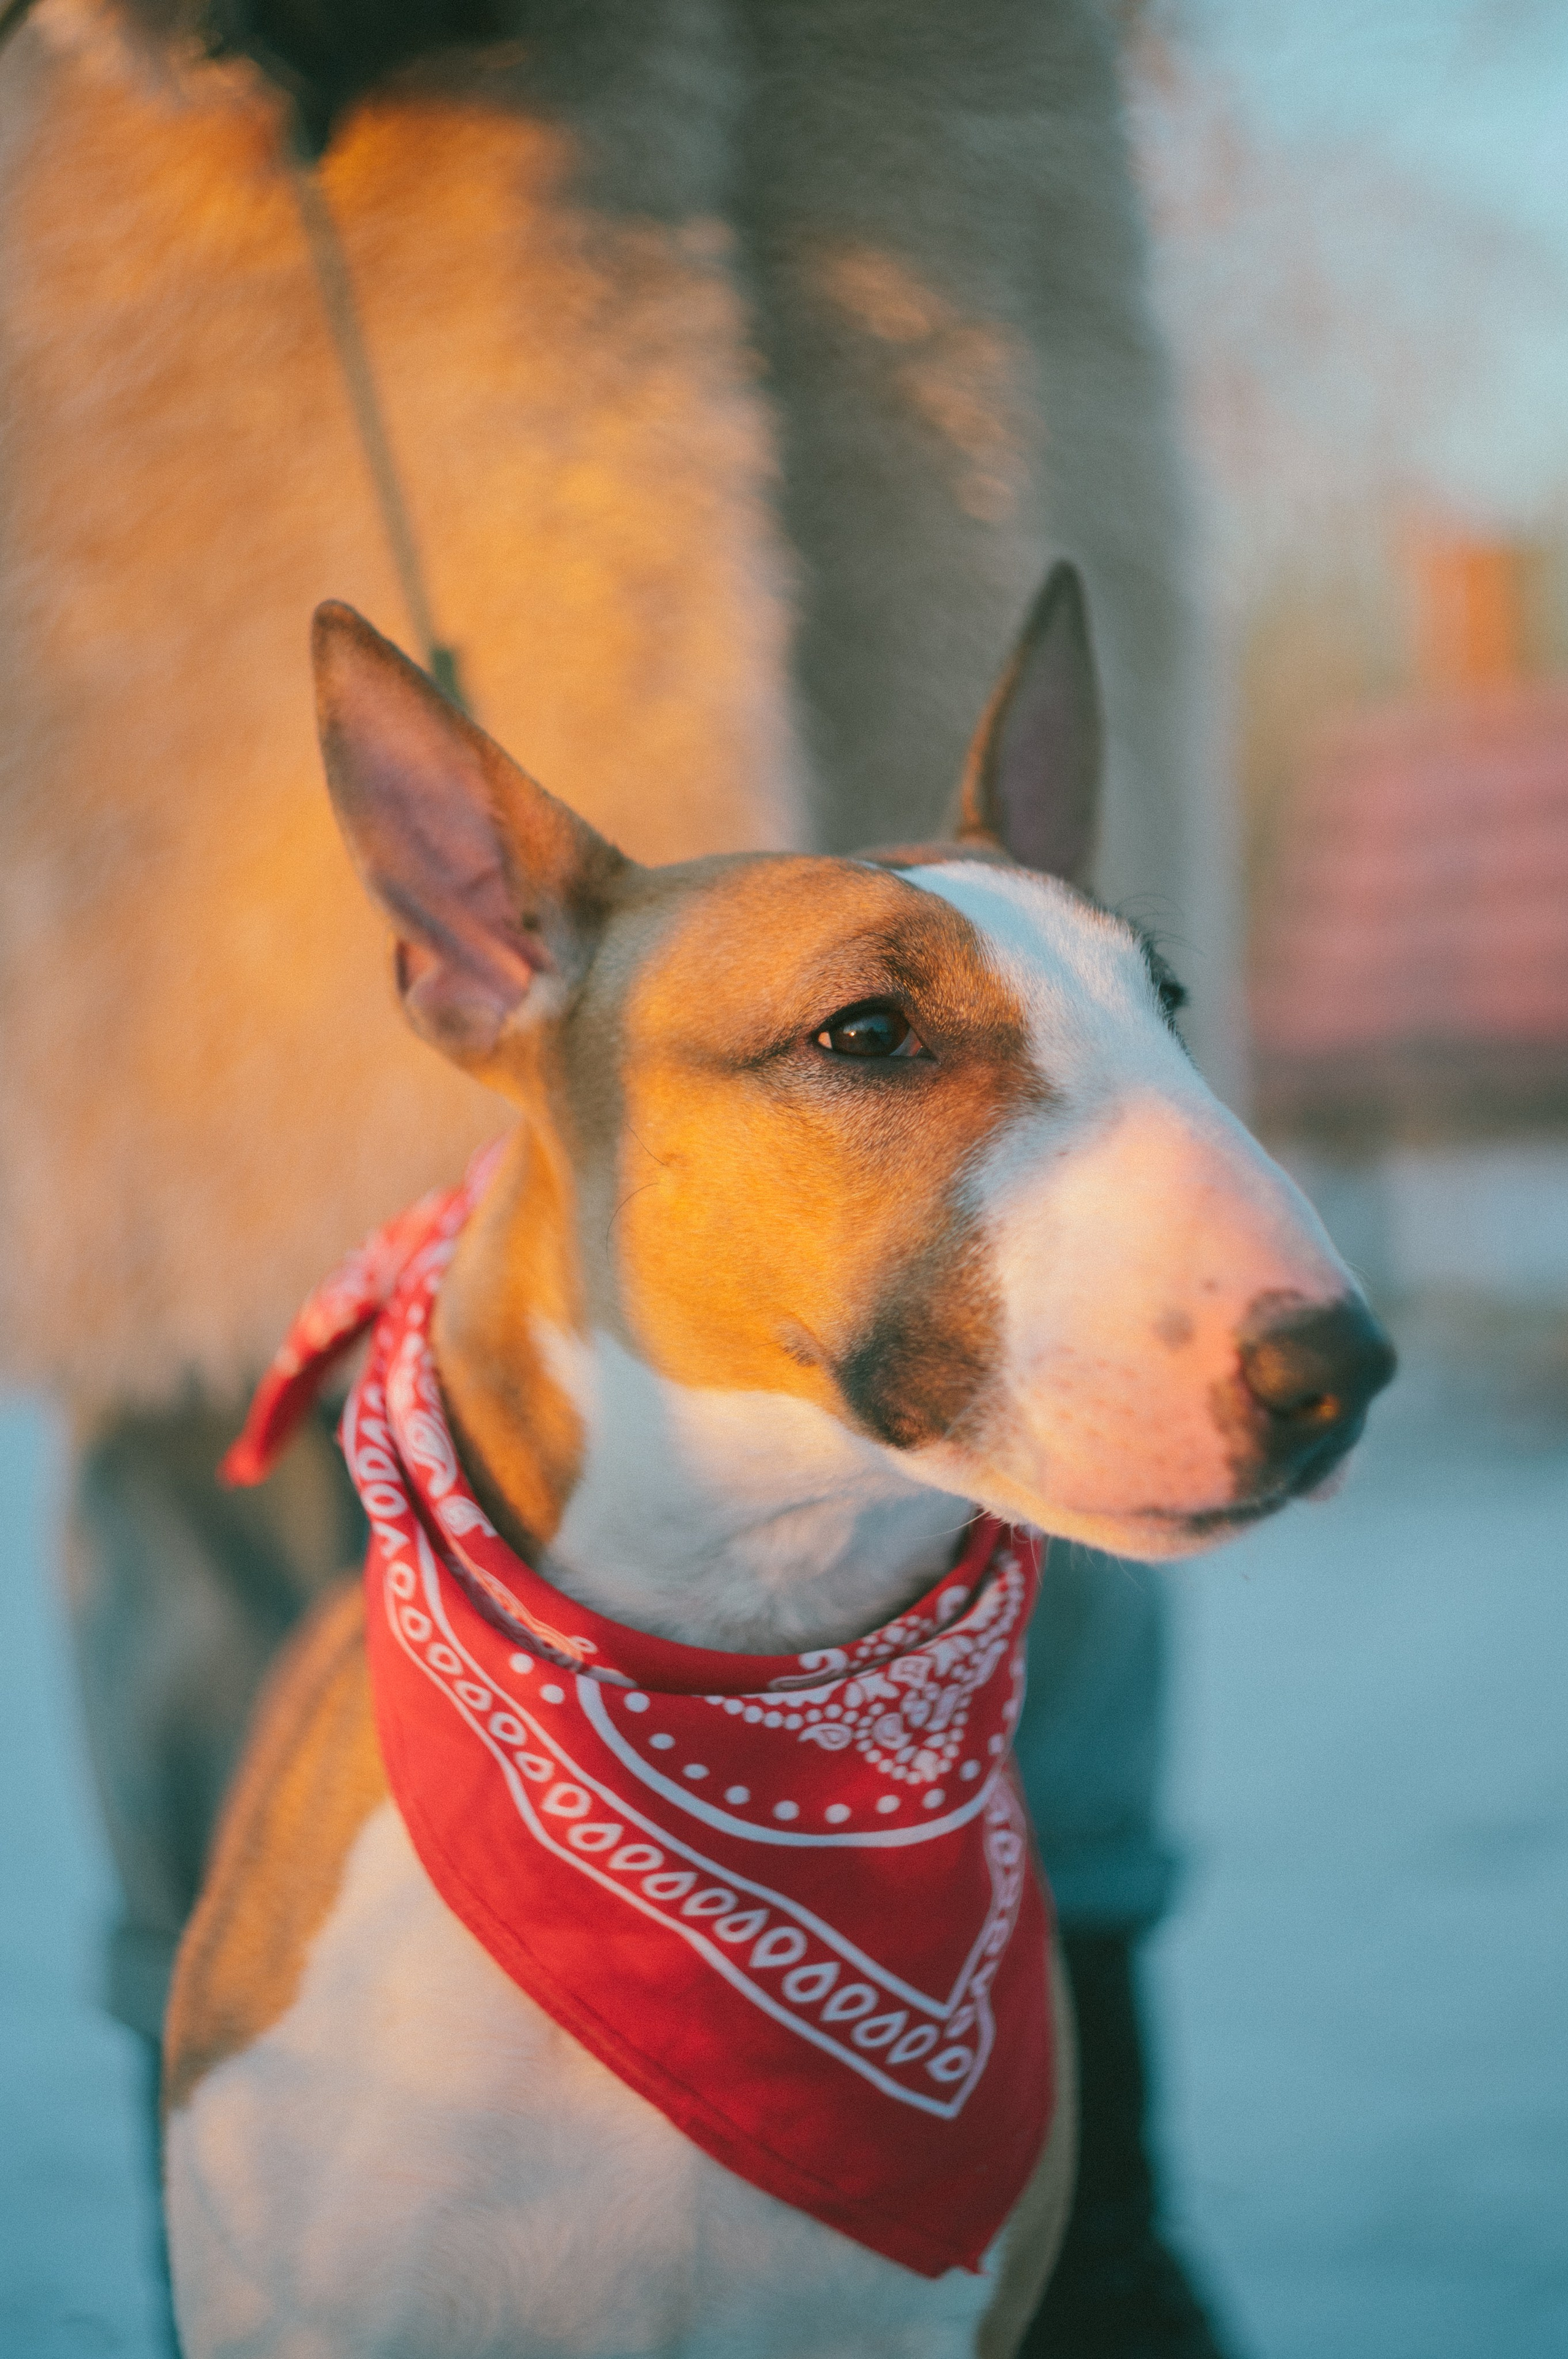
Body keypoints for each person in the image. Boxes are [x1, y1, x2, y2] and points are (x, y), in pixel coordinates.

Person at [1, 4, 1230, 2349]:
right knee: (279, 1604)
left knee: (1058, 1448)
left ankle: (1074, 2262)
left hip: (927, 311)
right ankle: (287, 2247)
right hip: (340, 318)